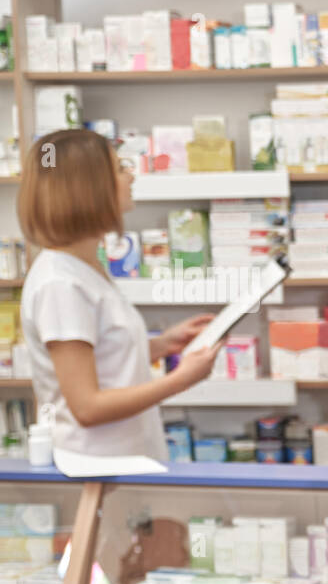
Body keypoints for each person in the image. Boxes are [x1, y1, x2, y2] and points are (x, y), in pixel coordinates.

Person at [19, 129, 221, 461]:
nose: (131, 175)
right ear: (88, 188)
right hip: (97, 466)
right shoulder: (60, 284)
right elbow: (87, 407)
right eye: (119, 168)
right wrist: (181, 379)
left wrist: (162, 344)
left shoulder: (85, 267)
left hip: (123, 460)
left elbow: (102, 358)